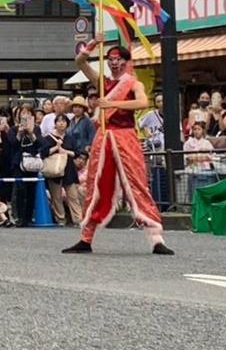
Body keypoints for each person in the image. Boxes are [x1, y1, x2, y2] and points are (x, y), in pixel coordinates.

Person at [64, 41, 172, 255]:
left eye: (118, 59)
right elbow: (80, 62)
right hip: (103, 138)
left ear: (126, 62)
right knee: (96, 184)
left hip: (126, 137)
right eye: (111, 60)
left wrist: (113, 104)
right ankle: (86, 238)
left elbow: (142, 103)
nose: (114, 63)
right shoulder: (102, 83)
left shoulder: (133, 84)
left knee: (137, 183)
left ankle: (156, 238)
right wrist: (94, 43)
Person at [41, 115, 82, 225]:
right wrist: (56, 148)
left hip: (68, 169)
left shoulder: (70, 138)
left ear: (67, 124)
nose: (61, 123)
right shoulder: (47, 138)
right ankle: (61, 218)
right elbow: (43, 153)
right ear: (55, 123)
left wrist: (65, 151)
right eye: (58, 121)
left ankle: (78, 219)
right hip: (54, 170)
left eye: (63, 121)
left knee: (73, 196)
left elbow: (76, 153)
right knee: (56, 196)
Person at [10, 109, 42, 228]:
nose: (25, 116)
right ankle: (20, 217)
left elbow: (40, 144)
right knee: (20, 190)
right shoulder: (13, 129)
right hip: (18, 163)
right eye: (23, 114)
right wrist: (19, 133)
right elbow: (12, 144)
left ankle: (29, 217)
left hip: (32, 163)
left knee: (31, 191)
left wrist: (31, 133)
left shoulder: (37, 129)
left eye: (28, 114)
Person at [183, 121, 217, 202]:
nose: (197, 131)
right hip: (191, 169)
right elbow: (186, 157)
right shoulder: (188, 143)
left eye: (199, 129)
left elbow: (211, 156)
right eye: (195, 129)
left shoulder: (207, 143)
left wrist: (196, 157)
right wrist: (200, 157)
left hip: (205, 170)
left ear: (203, 131)